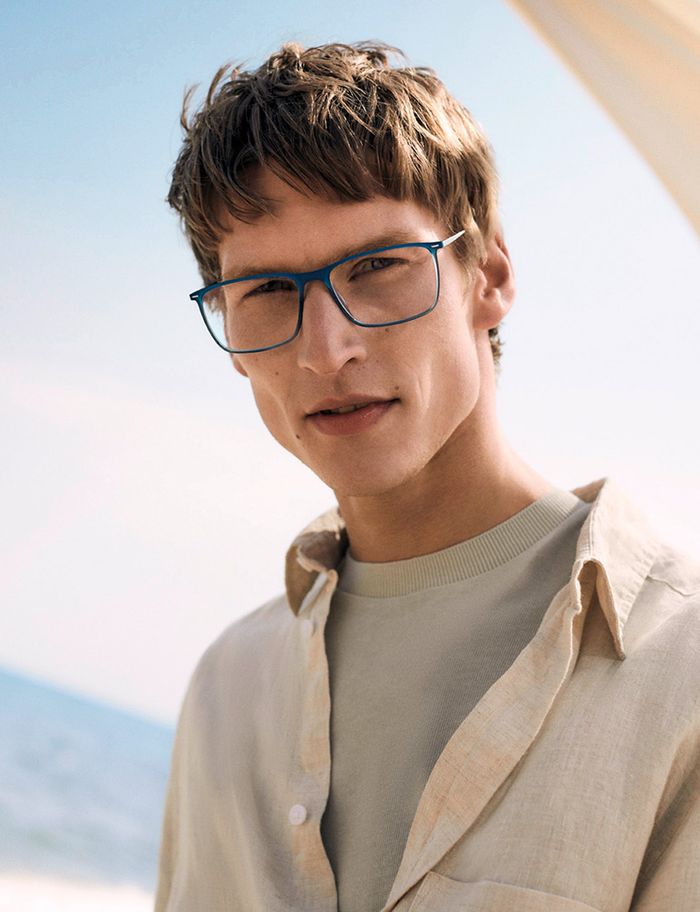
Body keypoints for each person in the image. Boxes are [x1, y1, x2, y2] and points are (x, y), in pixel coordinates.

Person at [155, 42, 700, 912]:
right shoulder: (227, 690)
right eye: (265, 291)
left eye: (376, 268)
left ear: (489, 277)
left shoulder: (683, 670)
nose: (326, 350)